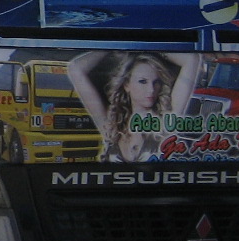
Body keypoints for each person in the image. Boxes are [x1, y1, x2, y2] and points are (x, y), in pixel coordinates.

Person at [68, 51, 199, 163]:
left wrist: (147, 47)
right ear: (126, 85)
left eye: (156, 82)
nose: (151, 89)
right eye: (143, 81)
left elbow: (191, 59)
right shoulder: (111, 124)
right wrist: (113, 46)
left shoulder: (165, 122)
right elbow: (75, 68)